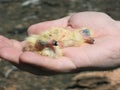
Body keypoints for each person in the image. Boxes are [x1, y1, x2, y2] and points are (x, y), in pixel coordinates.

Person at [0, 11, 120, 75]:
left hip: (51, 42)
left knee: (49, 50)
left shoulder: (77, 38)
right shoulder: (74, 36)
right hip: (47, 41)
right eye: (86, 34)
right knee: (43, 46)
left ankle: (47, 43)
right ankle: (47, 43)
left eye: (87, 36)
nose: (88, 36)